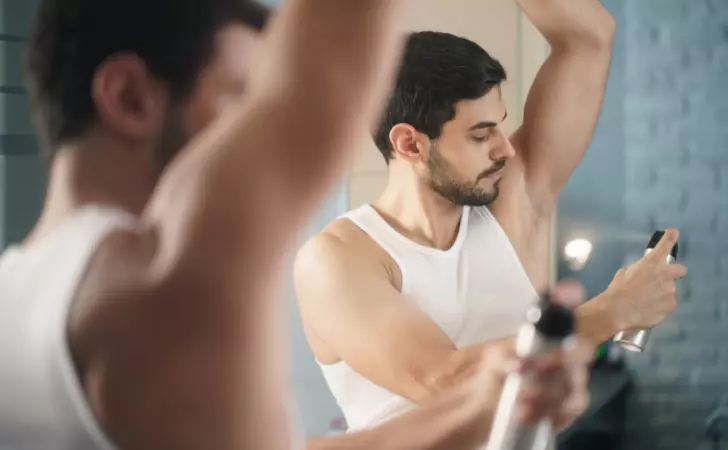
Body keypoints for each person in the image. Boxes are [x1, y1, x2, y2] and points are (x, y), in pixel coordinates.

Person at [0, 1, 586, 450]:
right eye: (240, 100)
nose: (252, 132)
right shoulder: (157, 284)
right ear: (129, 99)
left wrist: (487, 401)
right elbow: (329, 66)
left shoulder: (17, 296)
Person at [294, 0, 688, 437]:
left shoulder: (512, 204)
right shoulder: (337, 258)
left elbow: (589, 37)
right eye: (481, 135)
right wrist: (611, 311)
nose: (506, 149)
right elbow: (444, 380)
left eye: (500, 126)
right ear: (409, 144)